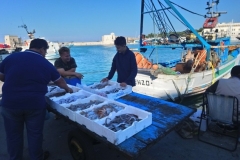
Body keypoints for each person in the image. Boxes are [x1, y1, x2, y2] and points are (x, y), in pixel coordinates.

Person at [0, 39, 73, 160]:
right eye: (45, 51)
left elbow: (1, 76)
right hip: (34, 105)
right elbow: (59, 81)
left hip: (10, 103)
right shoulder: (45, 63)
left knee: (13, 136)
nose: (45, 54)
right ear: (41, 49)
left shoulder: (11, 57)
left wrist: (15, 81)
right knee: (34, 135)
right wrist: (68, 89)